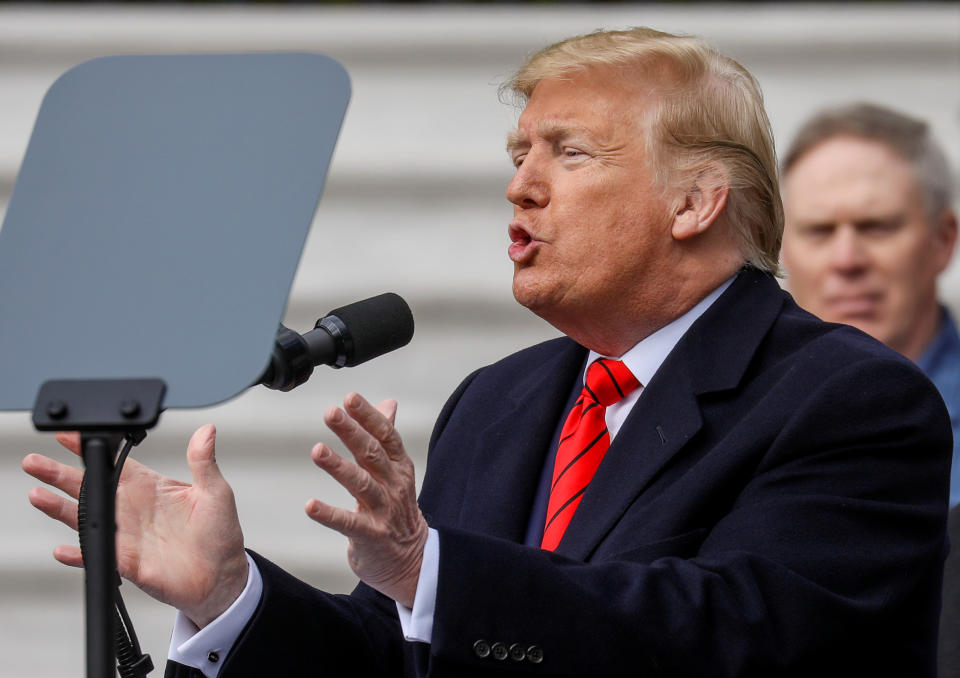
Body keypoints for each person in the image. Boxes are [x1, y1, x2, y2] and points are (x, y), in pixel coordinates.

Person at [22, 28, 952, 677]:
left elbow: (739, 639)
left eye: (569, 153)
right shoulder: (499, 400)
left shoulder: (851, 397)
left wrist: (435, 570)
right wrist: (231, 593)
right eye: (518, 153)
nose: (520, 186)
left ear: (695, 202)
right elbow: (401, 653)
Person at [779, 102, 959, 677]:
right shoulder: (716, 421)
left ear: (943, 240)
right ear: (780, 251)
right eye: (819, 231)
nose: (847, 260)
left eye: (877, 227)